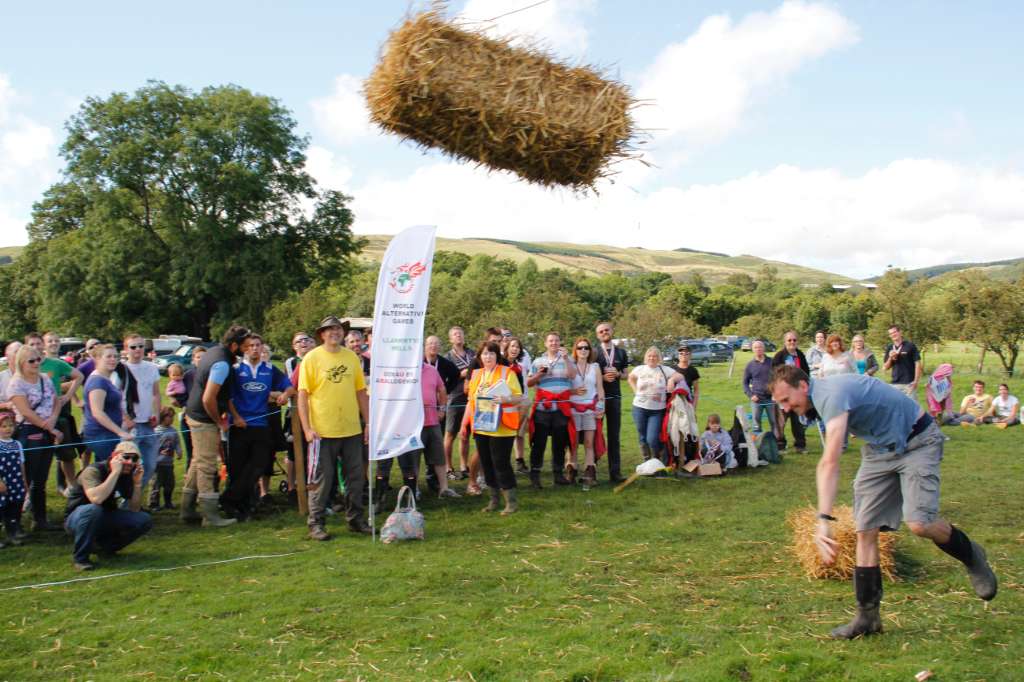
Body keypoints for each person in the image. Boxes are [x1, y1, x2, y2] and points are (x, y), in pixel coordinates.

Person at [769, 365, 997, 639]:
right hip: (879, 451)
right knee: (865, 529)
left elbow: (829, 461)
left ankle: (972, 555)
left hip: (918, 442)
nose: (784, 408)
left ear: (803, 386)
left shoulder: (831, 395)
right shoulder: (819, 397)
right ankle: (867, 618)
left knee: (920, 524)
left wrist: (823, 521)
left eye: (786, 400)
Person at [298, 316, 371, 541]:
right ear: (322, 334)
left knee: (356, 479)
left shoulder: (351, 357)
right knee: (322, 480)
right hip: (322, 431)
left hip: (351, 429)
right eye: (330, 330)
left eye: (338, 329)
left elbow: (360, 392)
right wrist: (307, 428)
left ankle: (356, 520)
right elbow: (302, 395)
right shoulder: (311, 358)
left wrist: (368, 422)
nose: (335, 333)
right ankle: (316, 524)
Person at [181, 325, 251, 528]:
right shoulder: (221, 364)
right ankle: (210, 516)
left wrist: (234, 416)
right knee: (207, 465)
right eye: (244, 346)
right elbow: (208, 398)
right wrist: (219, 421)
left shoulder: (216, 352)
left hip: (195, 414)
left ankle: (186, 511)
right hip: (203, 418)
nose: (246, 350)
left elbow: (224, 395)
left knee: (197, 461)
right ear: (234, 345)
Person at [223, 334, 293, 520]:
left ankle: (230, 498)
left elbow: (290, 386)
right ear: (244, 349)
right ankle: (241, 507)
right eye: (250, 346)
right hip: (240, 425)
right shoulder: (235, 369)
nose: (254, 348)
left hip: (261, 424)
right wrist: (236, 417)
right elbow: (227, 397)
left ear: (262, 347)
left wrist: (285, 395)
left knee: (259, 464)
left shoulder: (270, 369)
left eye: (257, 345)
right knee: (238, 468)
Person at [63, 441, 153, 571]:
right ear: (115, 457)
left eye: (134, 458)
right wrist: (114, 474)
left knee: (144, 519)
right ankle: (81, 559)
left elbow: (134, 508)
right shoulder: (93, 471)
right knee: (93, 509)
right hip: (78, 517)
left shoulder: (128, 474)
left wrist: (137, 484)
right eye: (126, 457)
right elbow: (96, 499)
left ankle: (105, 548)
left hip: (104, 515)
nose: (130, 462)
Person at [460, 341, 523, 514]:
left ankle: (511, 502)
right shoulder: (476, 375)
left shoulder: (506, 372)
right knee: (486, 464)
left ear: (497, 356)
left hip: (502, 428)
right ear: (480, 357)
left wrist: (506, 399)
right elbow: (470, 402)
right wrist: (463, 424)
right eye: (485, 354)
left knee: (500, 463)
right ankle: (493, 500)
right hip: (481, 427)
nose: (488, 357)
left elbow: (519, 397)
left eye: (492, 353)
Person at [8, 344, 62, 531]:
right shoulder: (16, 384)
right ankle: (14, 522)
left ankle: (40, 519)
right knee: (25, 479)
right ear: (21, 363)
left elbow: (56, 400)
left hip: (47, 431)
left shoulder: (44, 379)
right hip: (29, 432)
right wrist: (49, 427)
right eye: (31, 360)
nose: (36, 363)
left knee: (41, 479)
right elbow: (26, 412)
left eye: (38, 359)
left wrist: (53, 421)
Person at [112, 333, 162, 498]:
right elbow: (115, 398)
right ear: (126, 349)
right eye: (133, 347)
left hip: (148, 424)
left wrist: (156, 414)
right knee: (127, 466)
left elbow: (156, 394)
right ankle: (124, 500)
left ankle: (134, 499)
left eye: (141, 346)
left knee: (149, 465)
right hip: (129, 425)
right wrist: (125, 418)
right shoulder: (120, 370)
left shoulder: (151, 368)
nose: (138, 350)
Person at [527, 332, 578, 488]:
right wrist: (540, 374)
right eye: (551, 341)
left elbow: (572, 376)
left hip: (561, 407)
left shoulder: (567, 359)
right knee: (539, 442)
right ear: (545, 344)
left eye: (556, 340)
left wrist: (566, 359)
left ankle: (558, 474)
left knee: (559, 442)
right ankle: (535, 474)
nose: (554, 343)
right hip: (543, 407)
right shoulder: (538, 361)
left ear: (560, 343)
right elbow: (529, 383)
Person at [39, 332, 85, 497]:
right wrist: (63, 387)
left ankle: (67, 485)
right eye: (50, 341)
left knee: (65, 450)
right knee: (46, 453)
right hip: (42, 414)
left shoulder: (62, 363)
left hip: (63, 412)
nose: (53, 343)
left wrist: (69, 395)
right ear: (43, 344)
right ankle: (57, 485)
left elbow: (75, 379)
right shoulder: (35, 364)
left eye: (56, 340)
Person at [82, 344, 132, 463]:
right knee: (116, 472)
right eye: (108, 356)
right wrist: (120, 432)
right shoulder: (98, 381)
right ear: (97, 358)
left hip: (108, 435)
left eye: (115, 356)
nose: (113, 359)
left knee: (105, 473)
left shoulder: (105, 379)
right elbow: (97, 412)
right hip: (101, 436)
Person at [422, 335, 459, 493]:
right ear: (425, 346)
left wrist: (446, 392)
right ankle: (420, 480)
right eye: (430, 344)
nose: (433, 346)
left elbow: (456, 375)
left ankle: (434, 477)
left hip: (438, 409)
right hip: (418, 414)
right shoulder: (418, 362)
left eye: (436, 344)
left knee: (436, 444)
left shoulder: (443, 363)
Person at [628, 347, 676, 464]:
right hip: (639, 408)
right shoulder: (640, 369)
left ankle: (657, 458)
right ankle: (647, 460)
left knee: (652, 438)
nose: (652, 358)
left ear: (659, 358)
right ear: (646, 357)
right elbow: (630, 378)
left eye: (654, 356)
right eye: (649, 356)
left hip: (657, 410)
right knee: (642, 435)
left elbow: (680, 376)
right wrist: (635, 391)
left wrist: (671, 380)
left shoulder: (665, 370)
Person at [282, 332, 315, 502]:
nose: (304, 342)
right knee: (294, 452)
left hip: (317, 413)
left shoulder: (319, 358)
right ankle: (292, 487)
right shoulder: (292, 362)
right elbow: (291, 385)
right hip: (295, 412)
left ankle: (313, 487)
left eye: (307, 339)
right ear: (294, 346)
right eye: (299, 341)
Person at [568, 337, 605, 489]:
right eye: (580, 348)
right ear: (575, 350)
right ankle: (571, 468)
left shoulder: (595, 367)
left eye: (586, 348)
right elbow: (564, 389)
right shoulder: (570, 366)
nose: (583, 350)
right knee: (574, 442)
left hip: (590, 408)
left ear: (590, 351)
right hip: (573, 408)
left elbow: (600, 388)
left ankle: (589, 470)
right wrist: (574, 391)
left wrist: (601, 406)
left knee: (589, 442)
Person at [595, 322, 629, 483]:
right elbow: (587, 375)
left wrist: (617, 374)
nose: (604, 333)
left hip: (615, 398)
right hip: (598, 399)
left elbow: (626, 375)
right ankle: (591, 470)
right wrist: (601, 377)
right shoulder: (593, 352)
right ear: (597, 335)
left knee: (614, 436)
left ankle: (615, 473)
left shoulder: (621, 352)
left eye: (606, 330)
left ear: (612, 331)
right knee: (595, 434)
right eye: (601, 331)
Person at [444, 326, 475, 481]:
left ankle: (464, 466)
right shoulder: (447, 357)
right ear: (450, 339)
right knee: (450, 433)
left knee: (465, 434)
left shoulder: (472, 353)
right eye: (455, 334)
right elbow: (445, 378)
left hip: (471, 397)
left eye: (460, 334)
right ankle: (448, 467)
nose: (458, 337)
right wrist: (460, 374)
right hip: (455, 397)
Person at [771, 331, 810, 453]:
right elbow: (773, 375)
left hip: (797, 395)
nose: (792, 342)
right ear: (785, 342)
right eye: (789, 340)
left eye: (794, 340)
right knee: (781, 422)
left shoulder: (800, 355)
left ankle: (800, 445)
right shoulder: (779, 356)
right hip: (783, 395)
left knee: (798, 422)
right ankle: (780, 446)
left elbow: (806, 372)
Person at [668, 344, 701, 461]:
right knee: (673, 429)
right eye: (681, 353)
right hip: (674, 405)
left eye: (686, 353)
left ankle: (687, 457)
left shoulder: (693, 371)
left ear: (690, 355)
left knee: (688, 430)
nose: (684, 355)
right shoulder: (672, 369)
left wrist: (694, 406)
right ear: (678, 355)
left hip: (687, 403)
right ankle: (674, 457)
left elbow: (696, 390)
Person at [502, 337, 531, 474]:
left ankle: (520, 461)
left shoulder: (520, 367)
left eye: (517, 347)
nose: (515, 349)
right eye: (512, 346)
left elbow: (524, 387)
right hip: (504, 405)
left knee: (519, 434)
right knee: (506, 435)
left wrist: (525, 402)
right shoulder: (501, 365)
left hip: (520, 404)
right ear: (507, 348)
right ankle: (503, 462)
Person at [0, 411, 28, 547]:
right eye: (4, 426)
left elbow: (21, 463)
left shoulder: (17, 444)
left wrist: (24, 482)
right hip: (3, 483)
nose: (8, 429)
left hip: (16, 481)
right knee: (2, 509)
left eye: (10, 425)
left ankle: (13, 532)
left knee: (15, 507)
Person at [150, 407, 181, 510]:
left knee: (170, 484)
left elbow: (177, 442)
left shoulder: (173, 431)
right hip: (157, 464)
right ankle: (154, 504)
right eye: (169, 417)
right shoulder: (156, 431)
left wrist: (179, 451)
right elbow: (152, 446)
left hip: (169, 463)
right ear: (162, 417)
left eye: (173, 417)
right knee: (156, 485)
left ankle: (168, 502)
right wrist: (158, 452)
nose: (171, 419)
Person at [742, 340, 775, 434]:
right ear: (752, 349)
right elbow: (745, 383)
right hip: (756, 399)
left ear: (764, 348)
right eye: (756, 347)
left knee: (774, 422)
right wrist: (751, 395)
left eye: (760, 347)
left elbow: (779, 379)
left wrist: (776, 394)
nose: (758, 349)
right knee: (756, 425)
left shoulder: (772, 362)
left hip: (771, 399)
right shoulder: (750, 365)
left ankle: (777, 443)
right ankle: (757, 444)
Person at [883, 325, 922, 396]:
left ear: (900, 332)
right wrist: (890, 357)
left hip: (909, 383)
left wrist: (916, 381)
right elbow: (885, 367)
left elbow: (917, 363)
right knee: (896, 407)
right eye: (891, 334)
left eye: (895, 332)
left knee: (911, 406)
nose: (893, 335)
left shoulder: (910, 345)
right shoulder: (890, 348)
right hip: (895, 384)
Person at [0, 341, 22, 411]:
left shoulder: (34, 376)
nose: (21, 355)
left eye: (22, 352)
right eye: (17, 352)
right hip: (7, 417)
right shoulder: (1, 377)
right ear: (7, 356)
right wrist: (6, 405)